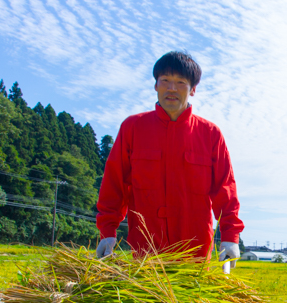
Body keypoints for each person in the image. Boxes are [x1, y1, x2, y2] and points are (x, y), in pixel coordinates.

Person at [95, 51, 243, 269]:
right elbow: (115, 184)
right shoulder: (133, 128)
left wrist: (230, 236)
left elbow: (225, 188)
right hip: (145, 251)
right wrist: (107, 231)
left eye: (180, 82)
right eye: (165, 80)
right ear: (156, 85)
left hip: (194, 252)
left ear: (193, 89)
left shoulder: (210, 134)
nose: (171, 88)